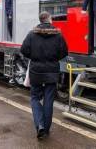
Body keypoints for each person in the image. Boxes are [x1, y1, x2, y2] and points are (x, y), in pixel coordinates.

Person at [20, 11, 68, 139]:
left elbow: (23, 50)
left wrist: (34, 58)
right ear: (49, 20)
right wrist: (54, 59)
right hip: (52, 71)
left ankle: (40, 125)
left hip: (36, 71)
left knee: (35, 98)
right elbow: (64, 52)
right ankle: (45, 129)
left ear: (40, 20)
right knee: (49, 100)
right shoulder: (58, 35)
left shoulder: (32, 34)